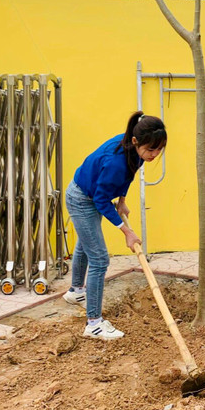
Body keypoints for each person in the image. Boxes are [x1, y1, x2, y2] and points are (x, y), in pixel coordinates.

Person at [63, 112, 167, 340]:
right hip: (82, 199)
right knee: (99, 258)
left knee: (86, 243)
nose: (155, 155)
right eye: (151, 150)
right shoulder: (115, 161)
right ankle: (94, 324)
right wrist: (127, 231)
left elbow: (130, 174)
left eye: (159, 150)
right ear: (135, 142)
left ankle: (76, 292)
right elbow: (101, 200)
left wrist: (122, 200)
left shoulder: (136, 150)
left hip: (90, 193)